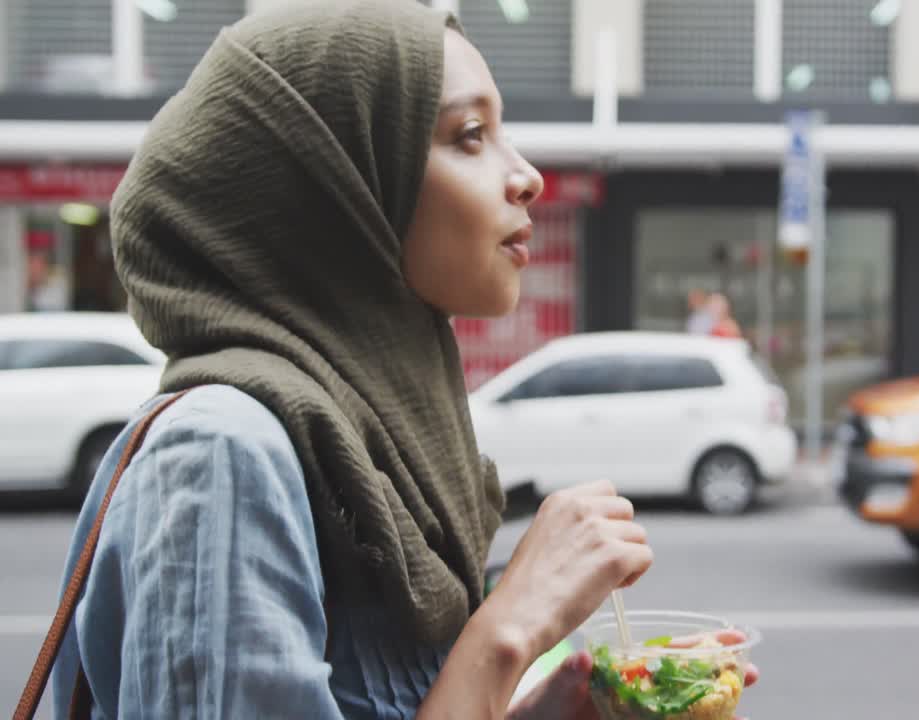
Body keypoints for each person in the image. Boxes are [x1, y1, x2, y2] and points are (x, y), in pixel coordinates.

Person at [43, 1, 756, 718]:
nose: (528, 177)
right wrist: (508, 630)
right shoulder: (222, 453)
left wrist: (556, 711)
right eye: (470, 135)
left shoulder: (375, 442)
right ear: (333, 190)